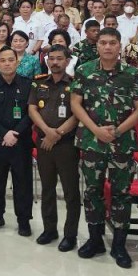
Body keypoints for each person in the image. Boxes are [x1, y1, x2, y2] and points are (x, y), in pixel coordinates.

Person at [70, 27, 138, 268]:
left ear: (119, 45)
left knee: (121, 193)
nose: (107, 47)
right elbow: (76, 104)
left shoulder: (132, 74)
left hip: (121, 143)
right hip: (92, 141)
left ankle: (119, 245)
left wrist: (118, 131)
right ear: (97, 45)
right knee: (92, 190)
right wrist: (96, 130)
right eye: (103, 42)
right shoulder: (84, 70)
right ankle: (95, 240)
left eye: (112, 42)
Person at [28, 44, 81, 251]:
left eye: (59, 58)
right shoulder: (39, 82)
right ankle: (50, 229)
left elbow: (78, 114)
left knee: (70, 191)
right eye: (51, 58)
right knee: (47, 188)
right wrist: (47, 132)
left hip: (66, 144)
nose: (55, 62)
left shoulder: (76, 84)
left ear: (67, 61)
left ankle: (70, 234)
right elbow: (32, 109)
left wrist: (57, 134)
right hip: (44, 143)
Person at [0, 47, 33, 234]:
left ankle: (24, 220)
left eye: (11, 60)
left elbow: (30, 114)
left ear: (17, 62)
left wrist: (15, 134)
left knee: (23, 182)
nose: (7, 63)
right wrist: (5, 134)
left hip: (22, 142)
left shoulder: (28, 85)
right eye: (2, 60)